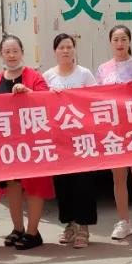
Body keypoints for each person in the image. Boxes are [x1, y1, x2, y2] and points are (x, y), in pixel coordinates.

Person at [0, 34, 55, 250]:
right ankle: (18, 228)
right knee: (13, 186)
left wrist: (29, 92)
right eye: (7, 52)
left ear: (22, 52)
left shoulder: (34, 77)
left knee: (34, 185)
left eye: (15, 51)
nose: (11, 55)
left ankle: (33, 232)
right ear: (1, 54)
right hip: (8, 144)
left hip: (32, 142)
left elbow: (47, 101)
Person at [96, 25, 132, 240]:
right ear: (110, 42)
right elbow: (97, 98)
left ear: (129, 41)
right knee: (118, 178)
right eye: (116, 39)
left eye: (123, 39)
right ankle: (123, 222)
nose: (120, 43)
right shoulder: (103, 69)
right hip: (114, 130)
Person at [43, 33, 99, 248]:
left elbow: (95, 100)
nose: (65, 51)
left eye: (69, 47)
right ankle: (70, 224)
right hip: (59, 140)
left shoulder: (84, 74)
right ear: (55, 51)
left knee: (83, 184)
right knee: (63, 185)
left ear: (74, 50)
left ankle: (84, 228)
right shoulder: (48, 77)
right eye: (61, 47)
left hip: (82, 139)